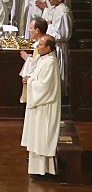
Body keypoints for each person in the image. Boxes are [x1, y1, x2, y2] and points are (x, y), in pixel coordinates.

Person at [21, 34, 61, 181]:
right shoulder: (44, 60)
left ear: (49, 48)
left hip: (45, 106)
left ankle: (44, 170)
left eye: (40, 45)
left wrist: (29, 81)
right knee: (37, 136)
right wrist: (30, 79)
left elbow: (44, 86)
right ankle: (36, 169)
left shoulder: (50, 62)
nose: (37, 47)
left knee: (42, 137)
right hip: (39, 105)